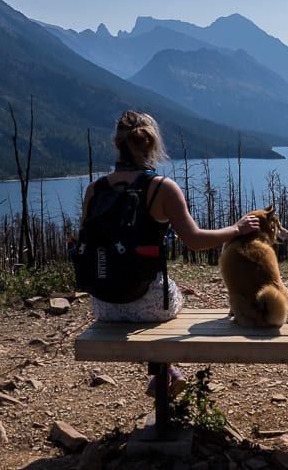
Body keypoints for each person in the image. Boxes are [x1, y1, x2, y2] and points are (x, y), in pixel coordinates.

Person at [81, 110, 260, 394]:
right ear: (152, 145)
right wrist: (237, 230)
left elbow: (88, 246)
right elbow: (196, 240)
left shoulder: (95, 189)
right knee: (170, 295)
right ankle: (169, 370)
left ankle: (169, 371)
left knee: (157, 291)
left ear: (117, 144)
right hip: (148, 305)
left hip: (103, 304)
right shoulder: (162, 188)